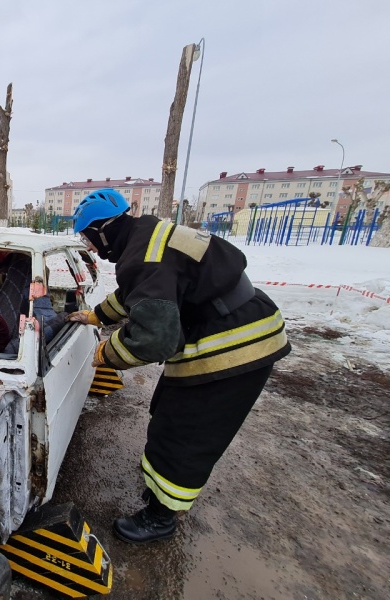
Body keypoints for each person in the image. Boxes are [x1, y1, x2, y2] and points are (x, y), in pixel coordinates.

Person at [68, 188, 290, 544]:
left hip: (234, 342)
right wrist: (96, 315)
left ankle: (160, 518)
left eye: (88, 237)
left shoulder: (143, 255)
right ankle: (161, 495)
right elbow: (138, 293)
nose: (90, 246)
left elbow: (154, 339)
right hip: (231, 323)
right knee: (166, 406)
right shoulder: (147, 237)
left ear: (103, 230)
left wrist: (105, 354)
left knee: (185, 430)